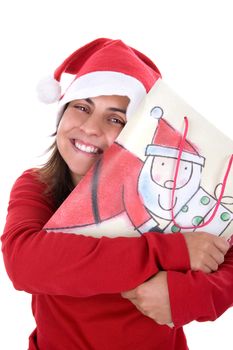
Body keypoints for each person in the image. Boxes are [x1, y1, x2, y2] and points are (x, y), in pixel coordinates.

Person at [1, 38, 232, 350]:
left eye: (115, 118)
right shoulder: (36, 185)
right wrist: (169, 251)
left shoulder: (169, 191)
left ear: (137, 134)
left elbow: (224, 257)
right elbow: (25, 263)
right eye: (82, 107)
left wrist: (186, 296)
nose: (91, 127)